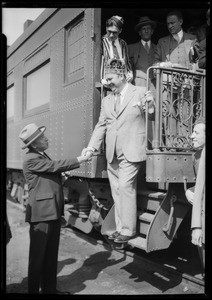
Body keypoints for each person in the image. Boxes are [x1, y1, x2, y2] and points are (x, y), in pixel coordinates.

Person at [81, 58, 155, 243]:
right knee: (116, 190)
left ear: (122, 76)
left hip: (132, 150)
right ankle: (121, 228)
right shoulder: (106, 100)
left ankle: (129, 230)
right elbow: (101, 126)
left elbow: (152, 115)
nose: (108, 82)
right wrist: (91, 147)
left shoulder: (140, 92)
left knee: (125, 187)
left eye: (110, 78)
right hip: (112, 153)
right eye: (106, 79)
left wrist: (151, 106)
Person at [19, 123, 90, 294]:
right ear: (35, 144)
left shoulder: (42, 155)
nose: (46, 138)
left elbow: (47, 179)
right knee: (37, 259)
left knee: (50, 256)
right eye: (43, 138)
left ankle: (50, 290)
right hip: (41, 214)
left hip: (52, 211)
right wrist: (80, 159)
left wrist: (61, 179)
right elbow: (54, 166)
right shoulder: (31, 159)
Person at [185, 117, 205, 274]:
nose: (191, 136)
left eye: (196, 132)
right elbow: (200, 185)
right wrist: (189, 190)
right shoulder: (196, 157)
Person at [101, 15, 133, 88]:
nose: (111, 35)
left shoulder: (123, 43)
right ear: (106, 28)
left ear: (120, 31)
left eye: (115, 32)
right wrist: (102, 79)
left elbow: (127, 62)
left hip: (122, 84)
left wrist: (130, 73)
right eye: (109, 31)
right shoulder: (101, 42)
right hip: (107, 83)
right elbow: (100, 62)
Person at [128, 16, 157, 88]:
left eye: (148, 28)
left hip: (154, 85)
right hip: (137, 84)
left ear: (152, 31)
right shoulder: (131, 48)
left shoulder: (158, 48)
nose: (146, 31)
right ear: (140, 32)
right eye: (143, 29)